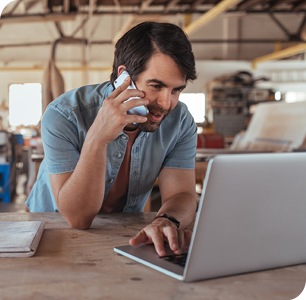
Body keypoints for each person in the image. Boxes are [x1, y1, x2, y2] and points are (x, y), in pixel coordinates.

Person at [26, 21, 198, 257]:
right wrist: (98, 138)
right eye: (156, 86)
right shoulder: (63, 115)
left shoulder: (180, 121)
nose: (166, 103)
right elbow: (78, 218)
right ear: (124, 77)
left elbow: (183, 195)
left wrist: (167, 220)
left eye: (176, 89)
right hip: (50, 230)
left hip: (125, 232)